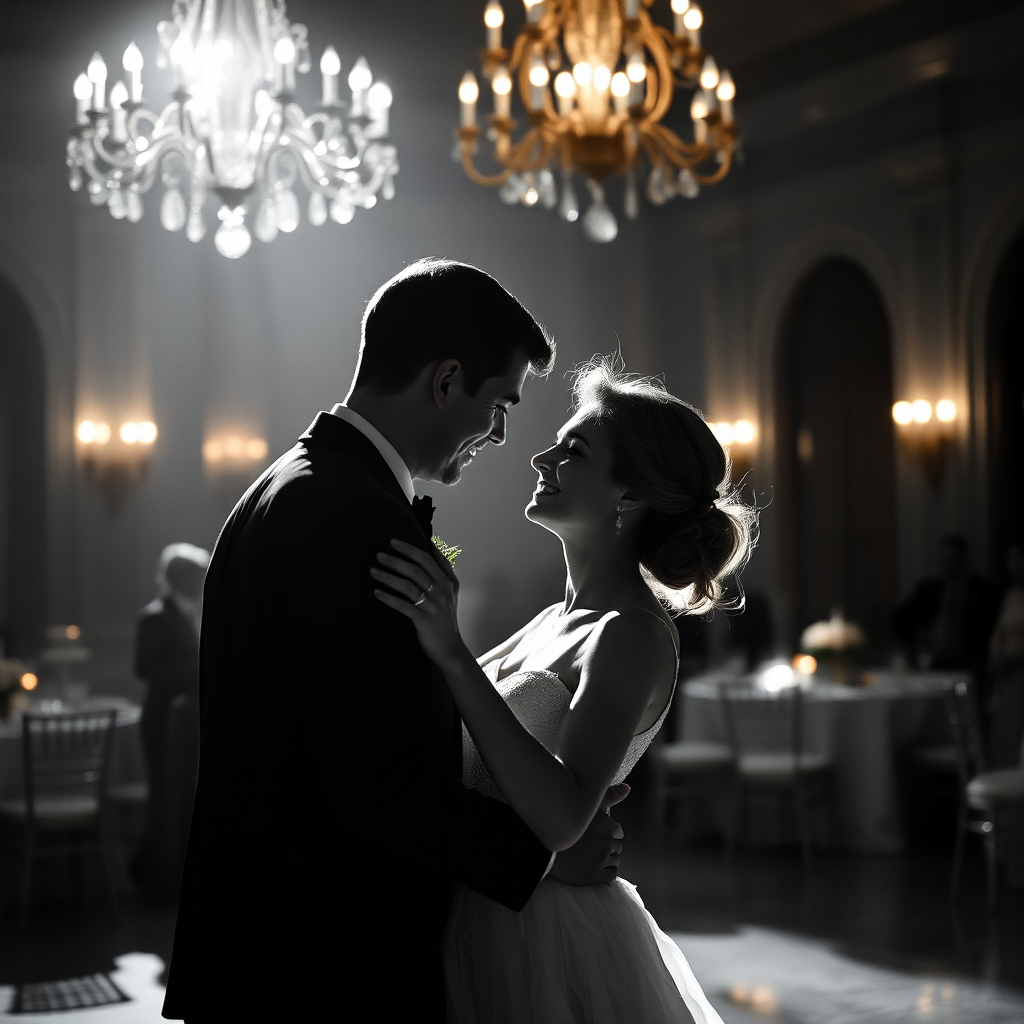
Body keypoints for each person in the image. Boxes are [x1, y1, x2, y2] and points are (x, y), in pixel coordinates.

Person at [162, 259, 628, 1023]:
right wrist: (541, 856)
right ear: (447, 381)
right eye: (501, 403)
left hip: (269, 947)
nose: (502, 434)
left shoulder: (289, 486)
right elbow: (375, 781)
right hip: (322, 965)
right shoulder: (350, 517)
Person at [375, 356, 753, 1022]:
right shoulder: (555, 619)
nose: (541, 458)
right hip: (477, 897)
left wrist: (456, 655)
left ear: (629, 494)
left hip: (542, 938)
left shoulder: (631, 633)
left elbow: (559, 819)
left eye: (572, 449)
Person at [133, 543, 209, 899]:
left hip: (189, 720)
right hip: (164, 720)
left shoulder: (196, 612)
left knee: (187, 799)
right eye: (196, 574)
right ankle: (162, 880)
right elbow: (145, 667)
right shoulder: (156, 616)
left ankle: (182, 874)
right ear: (178, 577)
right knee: (166, 796)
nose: (202, 580)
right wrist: (199, 671)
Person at [892, 534, 999, 673]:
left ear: (963, 559)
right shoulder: (928, 590)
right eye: (943, 559)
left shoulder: (984, 591)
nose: (947, 564)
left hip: (970, 664)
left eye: (951, 559)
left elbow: (993, 628)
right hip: (935, 663)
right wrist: (914, 645)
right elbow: (898, 619)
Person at [990, 543, 1024, 768]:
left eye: (1018, 559)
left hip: (1020, 671)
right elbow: (999, 634)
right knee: (1006, 738)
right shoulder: (1012, 595)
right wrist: (997, 659)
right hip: (1007, 678)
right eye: (1010, 560)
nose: (1014, 565)